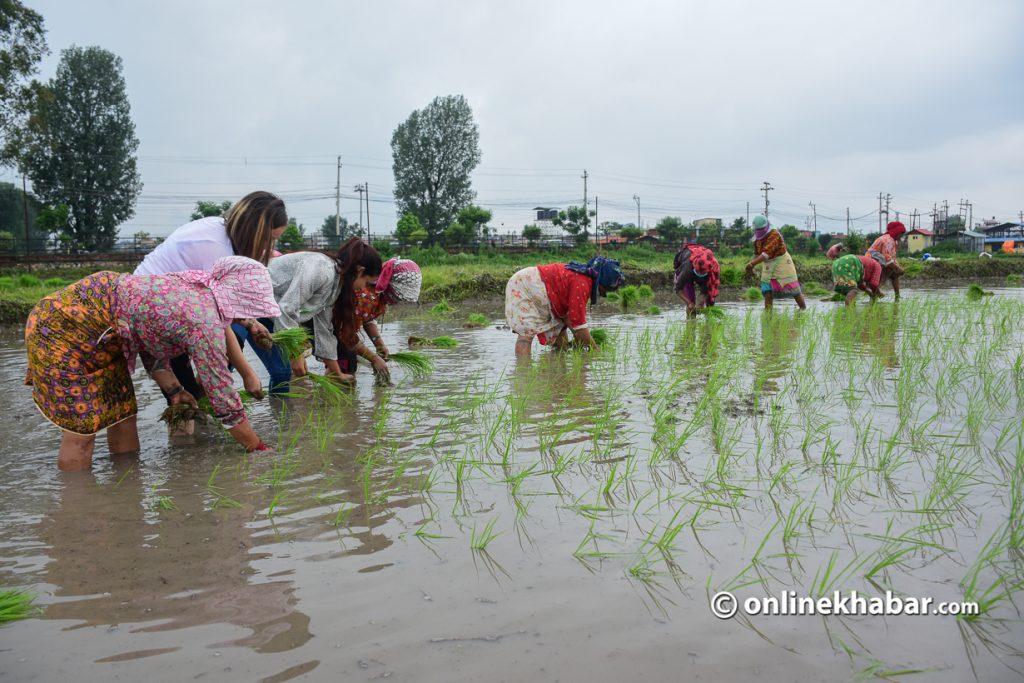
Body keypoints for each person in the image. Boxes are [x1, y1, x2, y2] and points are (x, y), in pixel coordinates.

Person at [24, 256, 281, 471]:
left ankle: (124, 496)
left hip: (107, 337)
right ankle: (75, 511)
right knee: (82, 430)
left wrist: (174, 390)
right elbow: (223, 398)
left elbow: (148, 338)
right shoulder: (204, 322)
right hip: (61, 327)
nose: (248, 314)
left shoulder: (197, 287)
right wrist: (257, 447)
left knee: (122, 416)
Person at [135, 191, 288, 415]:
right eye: (269, 239)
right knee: (186, 403)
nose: (269, 246)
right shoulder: (216, 249)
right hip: (151, 313)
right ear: (254, 230)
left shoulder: (218, 228)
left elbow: (217, 309)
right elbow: (216, 319)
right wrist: (248, 374)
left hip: (169, 309)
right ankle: (188, 441)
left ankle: (196, 439)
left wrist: (250, 323)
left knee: (190, 396)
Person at [505, 255, 625, 357]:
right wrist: (595, 351)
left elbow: (569, 318)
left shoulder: (584, 278)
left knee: (560, 324)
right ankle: (523, 374)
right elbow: (579, 325)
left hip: (538, 286)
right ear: (601, 282)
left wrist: (579, 338)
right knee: (526, 335)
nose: (602, 294)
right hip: (526, 285)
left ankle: (558, 362)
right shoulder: (582, 283)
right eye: (604, 290)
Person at [347, 257, 423, 376]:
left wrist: (379, 344)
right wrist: (374, 358)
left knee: (348, 369)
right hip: (331, 331)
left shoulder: (378, 292)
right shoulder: (365, 296)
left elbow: (367, 318)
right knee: (344, 371)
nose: (398, 300)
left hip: (340, 334)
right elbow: (346, 335)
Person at [744, 215, 807, 310]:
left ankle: (803, 310)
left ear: (766, 226)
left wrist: (752, 264)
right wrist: (750, 264)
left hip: (782, 263)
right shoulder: (757, 239)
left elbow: (765, 254)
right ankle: (768, 316)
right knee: (767, 291)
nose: (758, 231)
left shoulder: (774, 234)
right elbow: (757, 254)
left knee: (794, 290)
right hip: (768, 265)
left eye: (761, 229)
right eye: (757, 229)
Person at [673, 243, 720, 316]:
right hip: (686, 267)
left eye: (703, 272)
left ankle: (709, 323)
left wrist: (701, 302)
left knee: (710, 301)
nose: (701, 274)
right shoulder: (687, 269)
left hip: (705, 273)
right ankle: (691, 324)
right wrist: (689, 303)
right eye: (699, 272)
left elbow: (711, 290)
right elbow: (678, 289)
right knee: (691, 303)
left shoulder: (713, 268)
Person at [866, 221, 906, 299]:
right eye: (901, 233)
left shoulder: (892, 239)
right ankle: (875, 292)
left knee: (895, 274)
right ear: (896, 232)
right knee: (890, 270)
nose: (901, 236)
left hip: (878, 260)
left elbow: (892, 257)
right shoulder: (888, 240)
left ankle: (897, 296)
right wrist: (899, 269)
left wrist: (898, 268)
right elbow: (888, 259)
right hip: (872, 261)